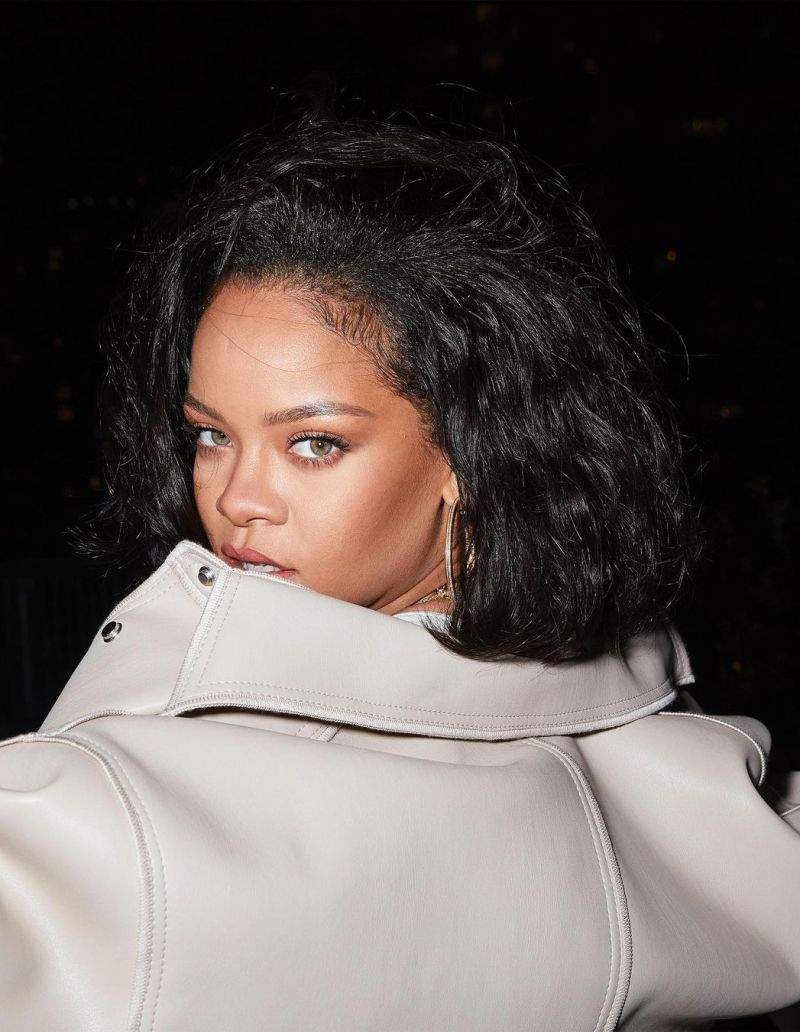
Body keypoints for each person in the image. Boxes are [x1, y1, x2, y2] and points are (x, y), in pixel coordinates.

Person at [1, 110, 798, 1032]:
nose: (237, 498)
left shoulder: (122, 825)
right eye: (210, 435)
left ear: (475, 449)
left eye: (313, 442)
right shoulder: (695, 778)